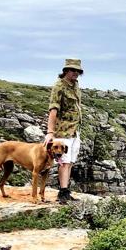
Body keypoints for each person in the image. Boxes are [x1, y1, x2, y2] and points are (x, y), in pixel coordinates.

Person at [45, 58, 83, 204]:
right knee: (64, 162)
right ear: (66, 71)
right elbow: (53, 109)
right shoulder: (59, 86)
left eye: (78, 71)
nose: (76, 73)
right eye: (73, 70)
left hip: (74, 129)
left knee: (71, 161)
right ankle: (62, 192)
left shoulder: (75, 85)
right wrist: (50, 132)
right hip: (63, 130)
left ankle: (66, 191)